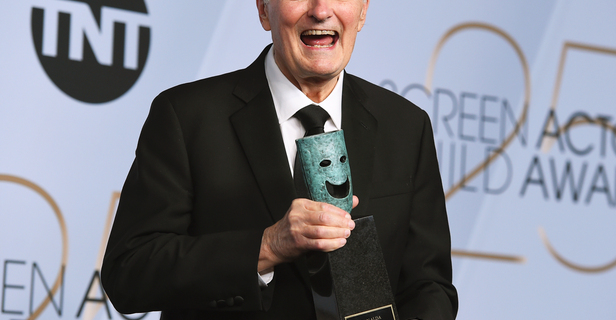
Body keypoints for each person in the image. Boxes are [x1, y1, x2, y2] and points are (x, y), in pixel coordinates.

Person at [101, 0, 458, 319]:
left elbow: (430, 286)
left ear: (363, 10)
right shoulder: (187, 116)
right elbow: (128, 272)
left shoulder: (406, 126)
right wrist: (267, 246)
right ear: (263, 10)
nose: (321, 9)